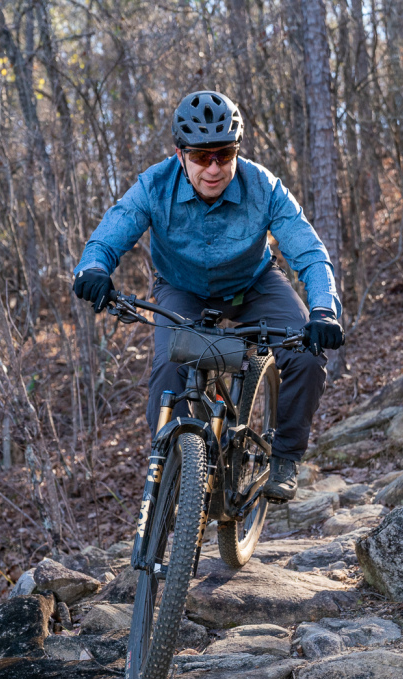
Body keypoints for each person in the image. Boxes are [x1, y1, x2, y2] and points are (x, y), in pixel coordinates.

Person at [72, 90, 343, 501]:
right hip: (182, 289)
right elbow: (111, 234)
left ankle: (285, 456)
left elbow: (309, 251)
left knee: (306, 356)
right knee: (167, 372)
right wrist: (93, 270)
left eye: (224, 154)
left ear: (237, 151)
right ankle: (176, 475)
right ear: (180, 154)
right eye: (201, 156)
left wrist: (324, 309)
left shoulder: (264, 187)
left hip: (253, 283)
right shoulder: (153, 186)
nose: (214, 168)